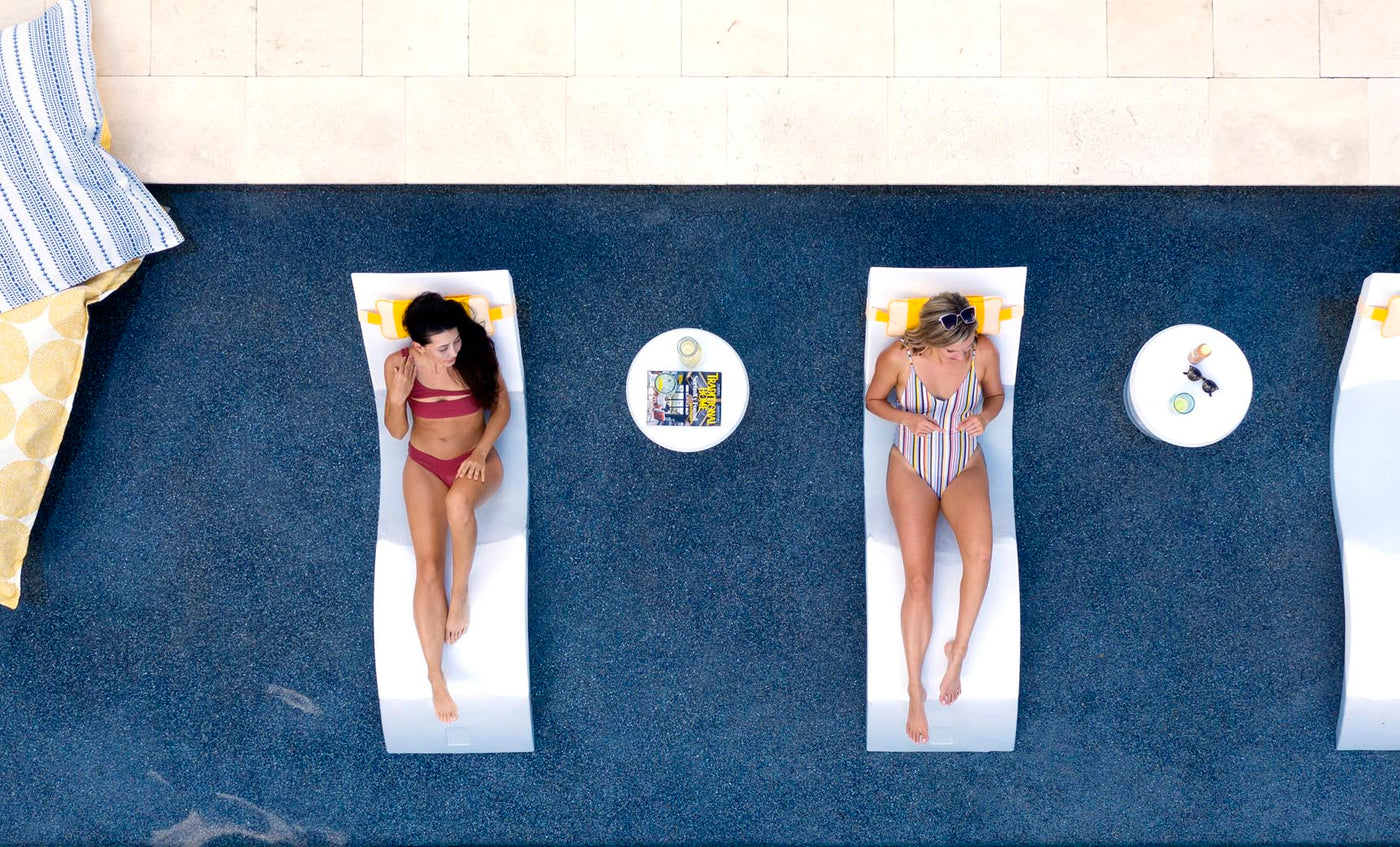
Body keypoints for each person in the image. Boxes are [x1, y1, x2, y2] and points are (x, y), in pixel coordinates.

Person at [864, 292, 1005, 744]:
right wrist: (906, 417)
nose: (964, 356)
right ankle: (914, 688)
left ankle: (957, 652)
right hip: (912, 468)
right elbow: (874, 401)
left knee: (981, 556)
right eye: (954, 352)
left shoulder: (982, 351)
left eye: (968, 348)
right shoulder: (898, 358)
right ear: (927, 340)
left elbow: (996, 395)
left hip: (964, 465)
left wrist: (985, 415)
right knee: (918, 580)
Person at [383, 292, 510, 724]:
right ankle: (435, 676)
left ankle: (461, 596)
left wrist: (480, 453)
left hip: (477, 460)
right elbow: (398, 433)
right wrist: (397, 398)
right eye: (443, 347)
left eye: (455, 341)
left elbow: (502, 406)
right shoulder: (399, 367)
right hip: (423, 464)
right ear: (418, 347)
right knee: (428, 567)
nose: (454, 352)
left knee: (459, 502)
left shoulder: (475, 351)